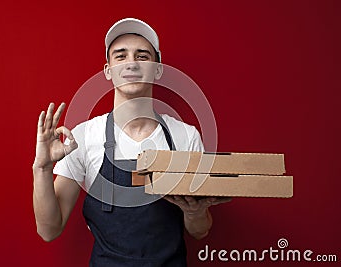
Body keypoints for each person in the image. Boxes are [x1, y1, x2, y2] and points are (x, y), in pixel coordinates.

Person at [33, 18, 230, 266]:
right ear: (108, 71)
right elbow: (49, 230)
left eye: (142, 56)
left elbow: (199, 231)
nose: (132, 63)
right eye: (120, 56)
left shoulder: (185, 136)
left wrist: (195, 212)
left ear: (157, 69)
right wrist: (41, 168)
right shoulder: (82, 137)